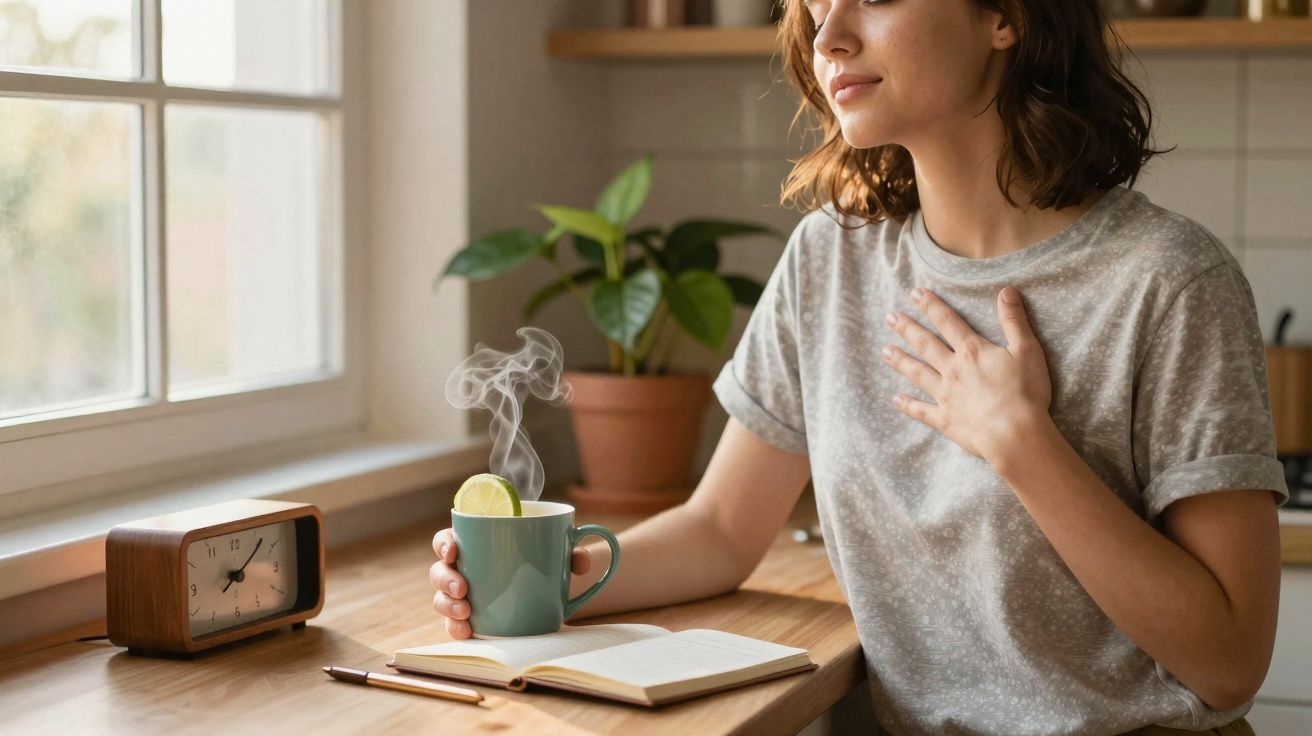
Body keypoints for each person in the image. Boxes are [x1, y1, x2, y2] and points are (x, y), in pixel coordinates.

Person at [430, 0, 1290, 733]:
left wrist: (1023, 446)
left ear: (1005, 15)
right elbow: (722, 529)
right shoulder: (830, 260)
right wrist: (551, 580)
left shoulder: (1167, 280)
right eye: (815, 2)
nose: (828, 35)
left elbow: (1228, 662)